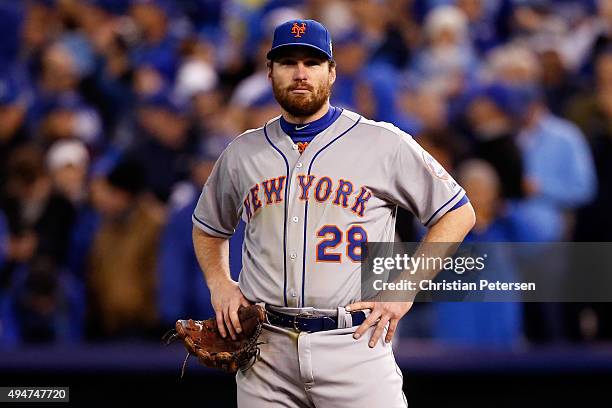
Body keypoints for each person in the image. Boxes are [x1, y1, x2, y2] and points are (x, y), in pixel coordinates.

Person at [192, 19, 475, 407]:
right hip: (265, 352)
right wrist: (219, 282)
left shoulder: (383, 142)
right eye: (288, 62)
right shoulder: (242, 153)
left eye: (312, 62)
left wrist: (404, 287)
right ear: (270, 72)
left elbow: (458, 212)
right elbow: (207, 227)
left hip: (354, 344)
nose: (301, 73)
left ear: (332, 72)